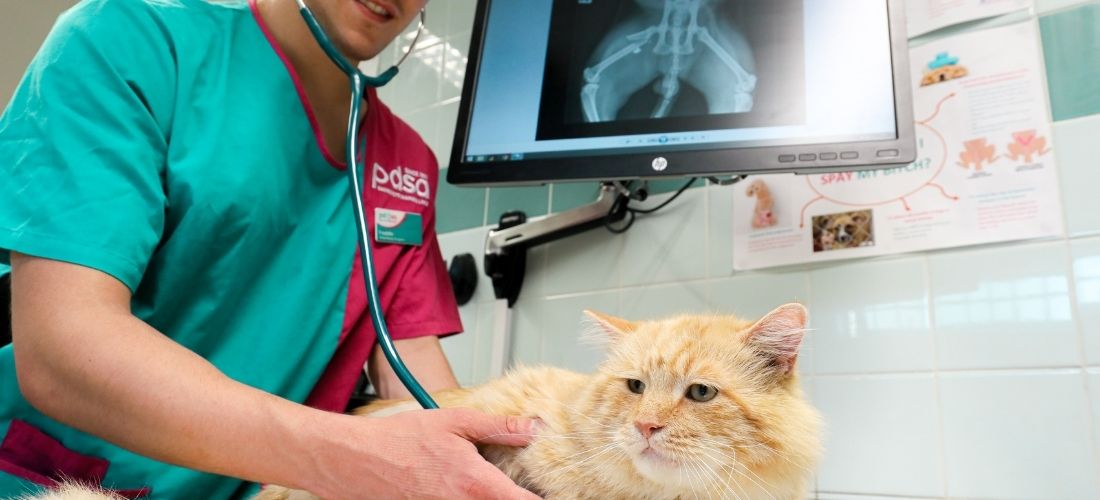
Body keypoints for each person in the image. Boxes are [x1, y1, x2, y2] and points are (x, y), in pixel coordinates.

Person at [0, 0, 540, 498]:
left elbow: (415, 373)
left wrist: (493, 457)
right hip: (57, 480)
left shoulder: (407, 165)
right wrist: (353, 456)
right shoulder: (129, 40)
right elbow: (60, 349)